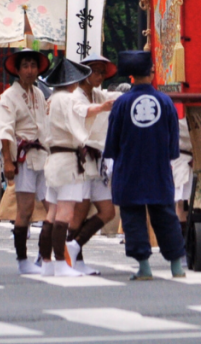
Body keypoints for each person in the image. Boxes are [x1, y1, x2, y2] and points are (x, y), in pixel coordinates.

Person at [104, 50, 186, 281]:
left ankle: (144, 267)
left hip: (129, 169)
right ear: (151, 73)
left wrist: (114, 157)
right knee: (166, 216)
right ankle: (176, 267)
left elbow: (112, 142)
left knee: (133, 216)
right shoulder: (165, 101)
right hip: (158, 168)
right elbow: (173, 141)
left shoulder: (121, 103)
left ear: (131, 76)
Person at [40, 57, 106, 277]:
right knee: (64, 214)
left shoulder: (50, 99)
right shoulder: (67, 99)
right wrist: (101, 111)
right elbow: (79, 122)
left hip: (53, 159)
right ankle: (60, 263)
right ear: (72, 82)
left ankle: (48, 263)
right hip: (67, 160)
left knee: (51, 214)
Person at [0, 48, 51, 273]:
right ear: (17, 71)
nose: (30, 71)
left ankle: (43, 256)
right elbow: (4, 131)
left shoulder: (39, 93)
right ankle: (22, 260)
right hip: (24, 158)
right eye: (25, 66)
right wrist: (8, 161)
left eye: (33, 66)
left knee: (54, 208)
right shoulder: (8, 97)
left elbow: (45, 127)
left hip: (44, 156)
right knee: (25, 211)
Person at [67, 53, 118, 276]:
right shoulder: (75, 96)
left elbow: (116, 97)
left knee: (107, 211)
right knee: (79, 213)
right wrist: (102, 108)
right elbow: (82, 110)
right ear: (84, 73)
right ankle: (73, 259)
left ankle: (74, 247)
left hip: (98, 158)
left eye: (101, 71)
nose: (99, 75)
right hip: (81, 158)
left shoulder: (99, 94)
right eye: (95, 70)